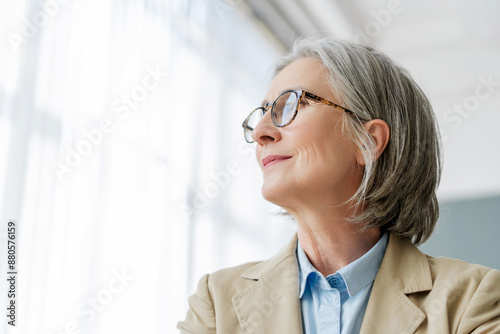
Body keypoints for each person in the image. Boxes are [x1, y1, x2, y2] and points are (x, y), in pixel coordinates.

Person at [177, 38, 500, 333]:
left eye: (289, 105)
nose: (261, 132)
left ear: (367, 142)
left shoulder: (473, 300)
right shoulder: (216, 302)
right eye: (262, 113)